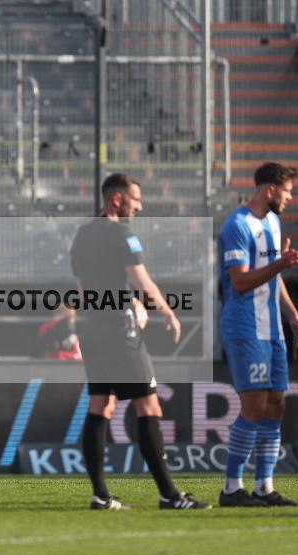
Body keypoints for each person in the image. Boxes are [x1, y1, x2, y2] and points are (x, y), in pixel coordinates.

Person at [70, 173, 211, 510]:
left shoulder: (82, 234)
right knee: (148, 406)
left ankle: (101, 495)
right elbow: (141, 280)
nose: (140, 205)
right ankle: (169, 495)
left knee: (100, 405)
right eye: (135, 198)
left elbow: (82, 288)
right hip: (120, 330)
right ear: (116, 199)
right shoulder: (122, 232)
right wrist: (166, 311)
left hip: (91, 326)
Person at [218, 162, 298, 507]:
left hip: (272, 328)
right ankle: (231, 488)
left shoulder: (272, 222)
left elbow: (275, 277)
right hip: (245, 326)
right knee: (254, 405)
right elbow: (241, 281)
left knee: (276, 404)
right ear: (270, 190)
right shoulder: (237, 226)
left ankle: (264, 487)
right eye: (287, 192)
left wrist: (294, 318)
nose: (290, 198)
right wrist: (279, 264)